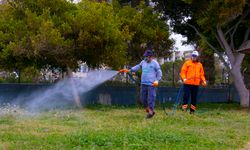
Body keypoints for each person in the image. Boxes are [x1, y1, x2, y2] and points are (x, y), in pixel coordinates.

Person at [119, 50, 162, 118]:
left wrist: (157, 80)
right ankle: (150, 111)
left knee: (151, 98)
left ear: (150, 57)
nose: (145, 58)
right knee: (142, 99)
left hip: (152, 84)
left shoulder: (155, 63)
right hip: (143, 83)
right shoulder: (143, 62)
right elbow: (137, 67)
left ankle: (150, 112)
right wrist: (129, 70)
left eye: (147, 57)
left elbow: (159, 72)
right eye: (145, 56)